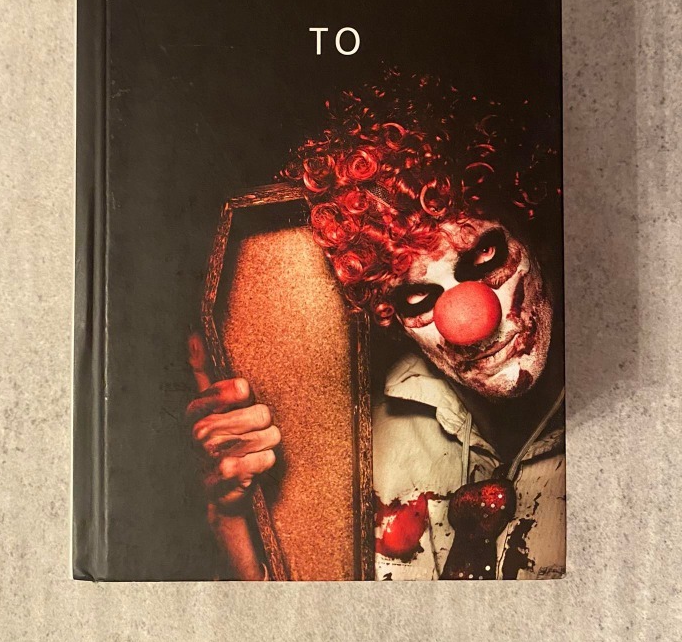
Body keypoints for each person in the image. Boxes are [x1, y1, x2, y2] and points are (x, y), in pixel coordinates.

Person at [187, 72, 565, 580]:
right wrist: (231, 520)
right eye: (417, 297)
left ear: (533, 226)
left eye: (486, 257)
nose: (467, 324)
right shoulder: (351, 452)